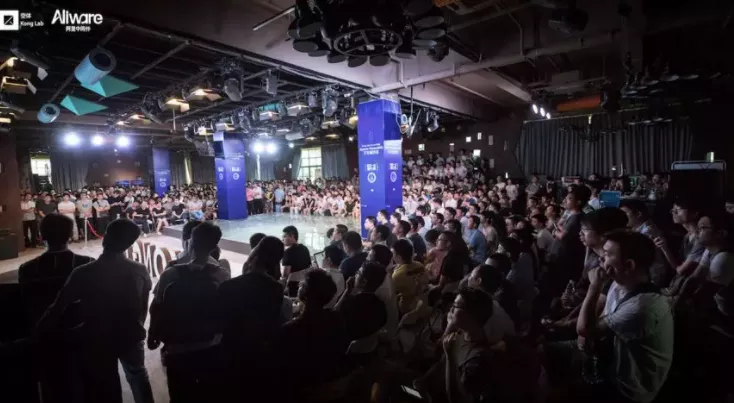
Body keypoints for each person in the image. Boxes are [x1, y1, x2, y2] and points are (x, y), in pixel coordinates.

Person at [36, 219, 154, 403]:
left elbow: (58, 306)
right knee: (138, 374)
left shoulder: (83, 272)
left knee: (107, 384)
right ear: (129, 244)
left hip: (97, 336)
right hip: (131, 334)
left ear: (105, 237)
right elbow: (143, 306)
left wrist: (39, 330)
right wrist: (138, 327)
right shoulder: (139, 270)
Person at [576, 230, 673, 403]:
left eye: (607, 254)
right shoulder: (620, 283)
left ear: (628, 265)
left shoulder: (642, 307)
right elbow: (601, 318)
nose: (601, 259)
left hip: (629, 389)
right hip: (611, 363)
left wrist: (594, 287)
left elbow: (584, 329)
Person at [148, 222, 229, 403]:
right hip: (211, 344)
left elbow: (157, 306)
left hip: (178, 347)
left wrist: (153, 333)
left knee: (180, 394)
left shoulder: (170, 273)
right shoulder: (222, 274)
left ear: (190, 242)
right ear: (215, 246)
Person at [18, 214, 95, 403]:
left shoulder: (27, 269)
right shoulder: (87, 263)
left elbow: (27, 306)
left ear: (41, 235)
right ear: (70, 235)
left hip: (46, 338)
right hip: (82, 336)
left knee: (51, 388)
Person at [215, 236, 285, 400]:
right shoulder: (275, 288)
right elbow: (272, 324)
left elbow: (219, 321)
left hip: (232, 351)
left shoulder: (227, 286)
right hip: (260, 353)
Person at [274, 270, 349, 398]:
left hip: (302, 388)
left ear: (305, 295)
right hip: (329, 381)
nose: (299, 285)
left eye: (302, 285)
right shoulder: (336, 318)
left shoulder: (291, 329)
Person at [466, 264, 517, 344]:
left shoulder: (480, 311)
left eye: (471, 275)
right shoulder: (497, 309)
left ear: (478, 281)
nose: (468, 278)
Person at [391, 239, 428, 316]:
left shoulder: (398, 275)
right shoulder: (419, 265)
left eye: (393, 253)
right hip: (421, 302)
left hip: (406, 308)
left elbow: (391, 293)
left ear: (399, 257)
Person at [281, 225, 313, 296]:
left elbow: (285, 275)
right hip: (305, 285)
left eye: (284, 236)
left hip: (293, 288)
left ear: (292, 236)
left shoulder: (288, 252)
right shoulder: (304, 248)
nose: (282, 239)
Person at [321, 244, 346, 309]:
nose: (322, 259)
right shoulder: (341, 275)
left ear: (329, 260)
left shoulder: (325, 277)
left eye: (323, 256)